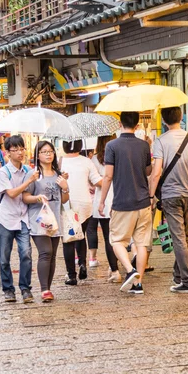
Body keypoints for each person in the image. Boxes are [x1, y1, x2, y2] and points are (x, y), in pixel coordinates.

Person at [149, 106, 188, 294]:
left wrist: (151, 195)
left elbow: (156, 173)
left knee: (179, 238)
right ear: (181, 117)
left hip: (171, 195)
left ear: (164, 121)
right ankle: (178, 275)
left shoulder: (160, 141)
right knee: (185, 236)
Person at [99, 112, 152, 295]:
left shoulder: (111, 146)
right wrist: (148, 150)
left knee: (116, 240)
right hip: (144, 202)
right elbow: (148, 171)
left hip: (122, 202)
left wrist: (102, 200)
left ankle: (130, 271)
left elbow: (107, 176)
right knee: (142, 243)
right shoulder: (144, 145)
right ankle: (138, 284)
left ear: (120, 124)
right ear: (137, 125)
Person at [0, 135, 37, 303]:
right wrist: (29, 181)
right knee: (4, 257)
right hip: (6, 219)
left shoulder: (28, 170)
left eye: (21, 148)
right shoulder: (3, 172)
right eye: (15, 150)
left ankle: (25, 288)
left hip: (23, 218)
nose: (19, 152)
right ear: (8, 153)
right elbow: (11, 193)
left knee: (26, 253)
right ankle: (8, 289)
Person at [23, 141, 69, 303]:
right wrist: (37, 198)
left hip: (55, 218)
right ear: (38, 155)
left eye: (51, 151)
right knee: (45, 252)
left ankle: (47, 288)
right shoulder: (33, 174)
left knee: (53, 255)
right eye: (44, 152)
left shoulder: (58, 174)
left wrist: (65, 187)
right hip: (39, 219)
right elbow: (25, 197)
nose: (48, 154)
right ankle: (44, 289)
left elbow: (63, 200)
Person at [60, 140, 102, 285]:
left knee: (68, 240)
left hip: (68, 203)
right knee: (80, 236)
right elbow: (97, 181)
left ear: (65, 146)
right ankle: (82, 263)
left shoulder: (59, 161)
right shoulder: (87, 161)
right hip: (85, 204)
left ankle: (71, 275)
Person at [88, 134, 119, 283]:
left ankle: (114, 269)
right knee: (119, 236)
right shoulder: (118, 154)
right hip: (119, 197)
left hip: (104, 200)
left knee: (108, 236)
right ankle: (117, 264)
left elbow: (93, 181)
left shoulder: (94, 159)